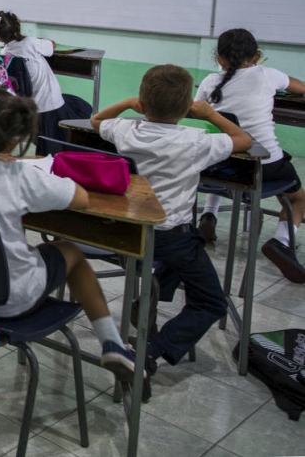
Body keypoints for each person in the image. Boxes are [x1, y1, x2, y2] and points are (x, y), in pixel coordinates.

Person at [0, 87, 138, 381]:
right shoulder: (20, 177)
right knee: (70, 252)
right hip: (11, 299)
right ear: (12, 142)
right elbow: (80, 198)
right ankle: (112, 342)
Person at [92, 64, 252, 393]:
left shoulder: (125, 129)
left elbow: (95, 122)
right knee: (211, 301)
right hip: (170, 239)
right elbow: (244, 140)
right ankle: (148, 352)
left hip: (124, 234)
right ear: (186, 106)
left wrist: (125, 102)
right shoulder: (196, 140)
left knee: (189, 245)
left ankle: (147, 300)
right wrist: (208, 114)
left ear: (143, 103)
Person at [194, 28, 305, 281]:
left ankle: (207, 216)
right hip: (264, 165)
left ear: (219, 59)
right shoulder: (268, 75)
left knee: (226, 152)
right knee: (297, 198)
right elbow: (300, 87)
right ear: (256, 56)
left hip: (219, 164)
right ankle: (281, 242)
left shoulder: (210, 81)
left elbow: (197, 115)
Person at [0, 10, 92, 155]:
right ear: (17, 28)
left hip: (31, 111)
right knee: (82, 108)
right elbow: (52, 45)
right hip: (52, 104)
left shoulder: (4, 54)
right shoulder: (31, 42)